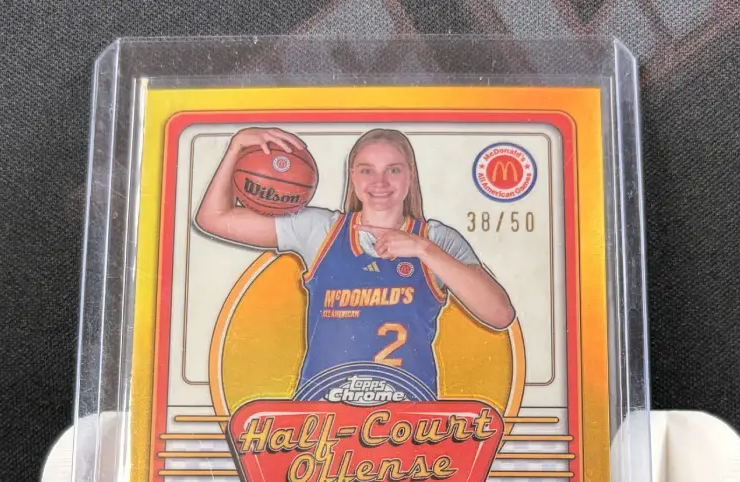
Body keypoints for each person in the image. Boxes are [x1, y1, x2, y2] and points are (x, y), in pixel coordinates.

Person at [195, 126, 515, 398]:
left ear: (410, 175)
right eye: (367, 170)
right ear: (352, 176)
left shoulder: (436, 240)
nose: (380, 182)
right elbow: (213, 218)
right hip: (321, 418)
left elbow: (500, 315)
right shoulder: (321, 230)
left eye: (393, 169)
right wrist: (236, 148)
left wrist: (424, 249)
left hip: (410, 423)